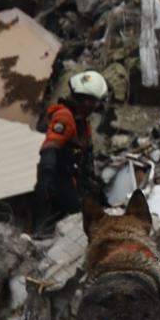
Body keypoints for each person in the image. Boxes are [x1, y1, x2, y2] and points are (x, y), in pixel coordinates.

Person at [33, 71, 108, 232]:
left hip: (73, 177)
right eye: (94, 102)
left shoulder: (81, 121)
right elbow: (50, 148)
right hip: (59, 180)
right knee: (79, 216)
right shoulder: (65, 117)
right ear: (86, 101)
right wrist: (45, 181)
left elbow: (85, 155)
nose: (95, 107)